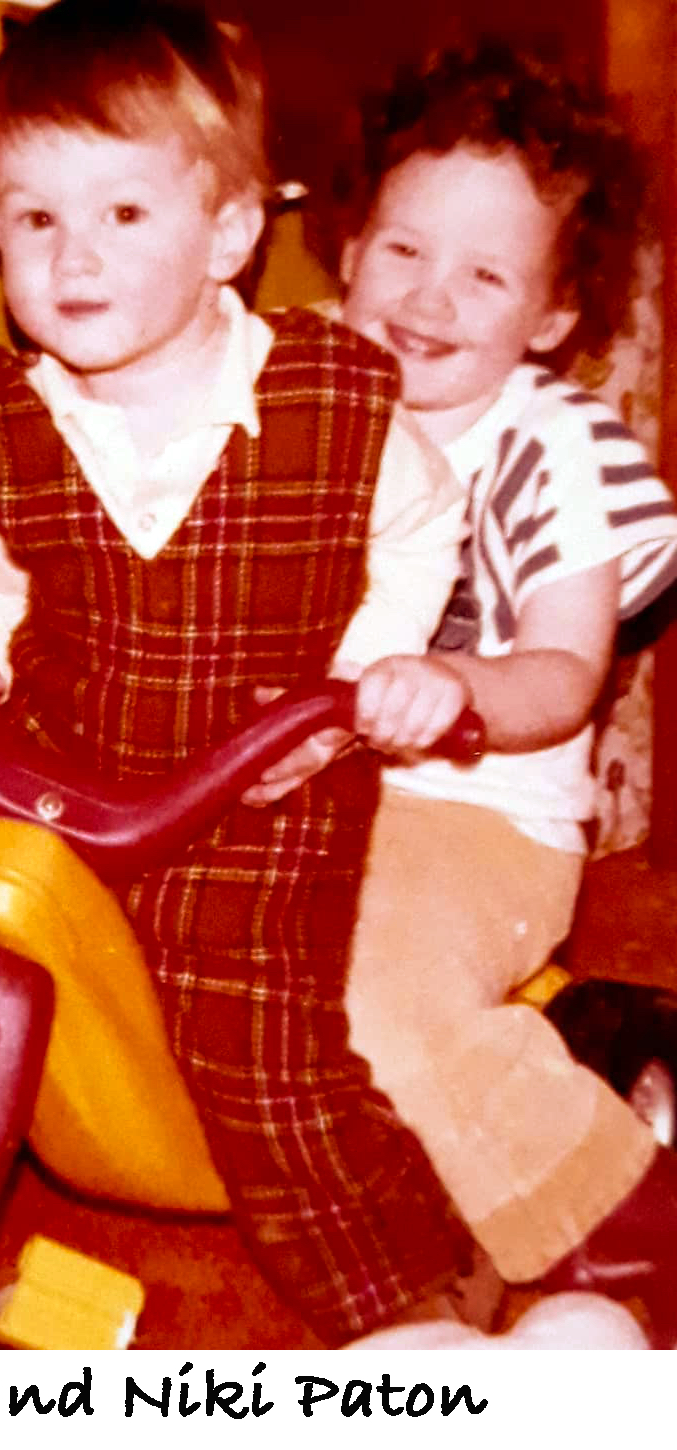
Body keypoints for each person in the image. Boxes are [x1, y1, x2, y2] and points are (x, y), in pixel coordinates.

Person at [0, 0, 477, 1344]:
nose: (72, 258)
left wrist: (370, 675)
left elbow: (422, 521)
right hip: (58, 767)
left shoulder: (336, 397)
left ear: (231, 233)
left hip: (257, 800)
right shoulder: (6, 415)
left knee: (259, 1056)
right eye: (36, 219)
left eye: (121, 215)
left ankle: (413, 1303)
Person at [250, 42, 677, 1346]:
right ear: (351, 242)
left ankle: (619, 1208)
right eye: (403, 251)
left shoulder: (557, 448)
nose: (428, 299)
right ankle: (418, 1231)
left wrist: (456, 686)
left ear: (549, 316)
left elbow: (565, 668)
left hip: (473, 810)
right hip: (303, 783)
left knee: (371, 993)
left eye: (484, 275)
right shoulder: (287, 387)